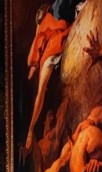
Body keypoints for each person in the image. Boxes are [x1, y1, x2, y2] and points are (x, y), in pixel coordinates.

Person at [25, 3, 72, 151]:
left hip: (56, 16)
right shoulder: (45, 60)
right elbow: (40, 96)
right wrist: (30, 131)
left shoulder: (38, 52)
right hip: (60, 19)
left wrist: (30, 130)